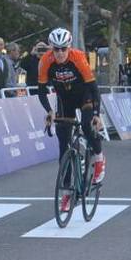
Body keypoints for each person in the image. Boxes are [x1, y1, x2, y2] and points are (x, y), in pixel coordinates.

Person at [37, 28, 105, 212]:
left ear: (69, 47)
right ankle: (67, 194)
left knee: (86, 124)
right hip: (64, 99)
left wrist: (97, 114)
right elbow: (41, 90)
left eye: (63, 49)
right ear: (51, 48)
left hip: (84, 95)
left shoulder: (78, 57)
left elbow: (93, 87)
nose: (59, 53)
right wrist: (49, 111)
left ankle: (99, 158)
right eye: (56, 49)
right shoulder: (46, 61)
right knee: (63, 147)